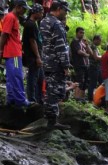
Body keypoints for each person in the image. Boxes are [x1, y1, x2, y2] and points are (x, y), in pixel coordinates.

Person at [40, 0, 71, 130]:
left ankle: (49, 118)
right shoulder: (57, 24)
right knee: (55, 91)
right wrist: (65, 66)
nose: (66, 14)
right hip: (56, 63)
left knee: (50, 90)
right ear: (58, 9)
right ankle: (52, 122)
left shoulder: (43, 21)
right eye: (65, 11)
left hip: (47, 61)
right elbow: (60, 47)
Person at [0, 0, 31, 107]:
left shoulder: (14, 18)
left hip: (13, 52)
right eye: (24, 8)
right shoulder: (11, 17)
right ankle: (20, 100)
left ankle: (12, 98)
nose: (25, 11)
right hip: (13, 53)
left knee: (11, 76)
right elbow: (4, 34)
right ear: (18, 7)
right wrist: (0, 50)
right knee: (17, 76)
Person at [23, 3, 44, 104]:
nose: (42, 14)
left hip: (36, 56)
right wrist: (38, 57)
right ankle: (31, 99)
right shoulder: (30, 24)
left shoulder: (33, 23)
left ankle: (39, 99)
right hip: (33, 57)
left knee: (40, 78)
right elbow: (32, 41)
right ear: (35, 13)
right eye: (41, 12)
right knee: (33, 78)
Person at [70, 27, 90, 101]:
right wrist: (86, 55)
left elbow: (90, 52)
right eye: (80, 32)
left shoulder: (82, 42)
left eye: (83, 33)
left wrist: (87, 45)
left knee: (85, 82)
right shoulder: (75, 42)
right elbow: (79, 52)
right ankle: (76, 97)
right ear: (77, 33)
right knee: (79, 80)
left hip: (85, 64)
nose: (82, 34)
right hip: (78, 64)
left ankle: (82, 97)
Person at [87, 34, 102, 101]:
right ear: (95, 40)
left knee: (95, 82)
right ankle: (90, 98)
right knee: (93, 83)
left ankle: (94, 97)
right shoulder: (93, 46)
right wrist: (103, 57)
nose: (100, 42)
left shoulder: (93, 46)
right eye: (99, 40)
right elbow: (96, 57)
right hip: (93, 66)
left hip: (95, 67)